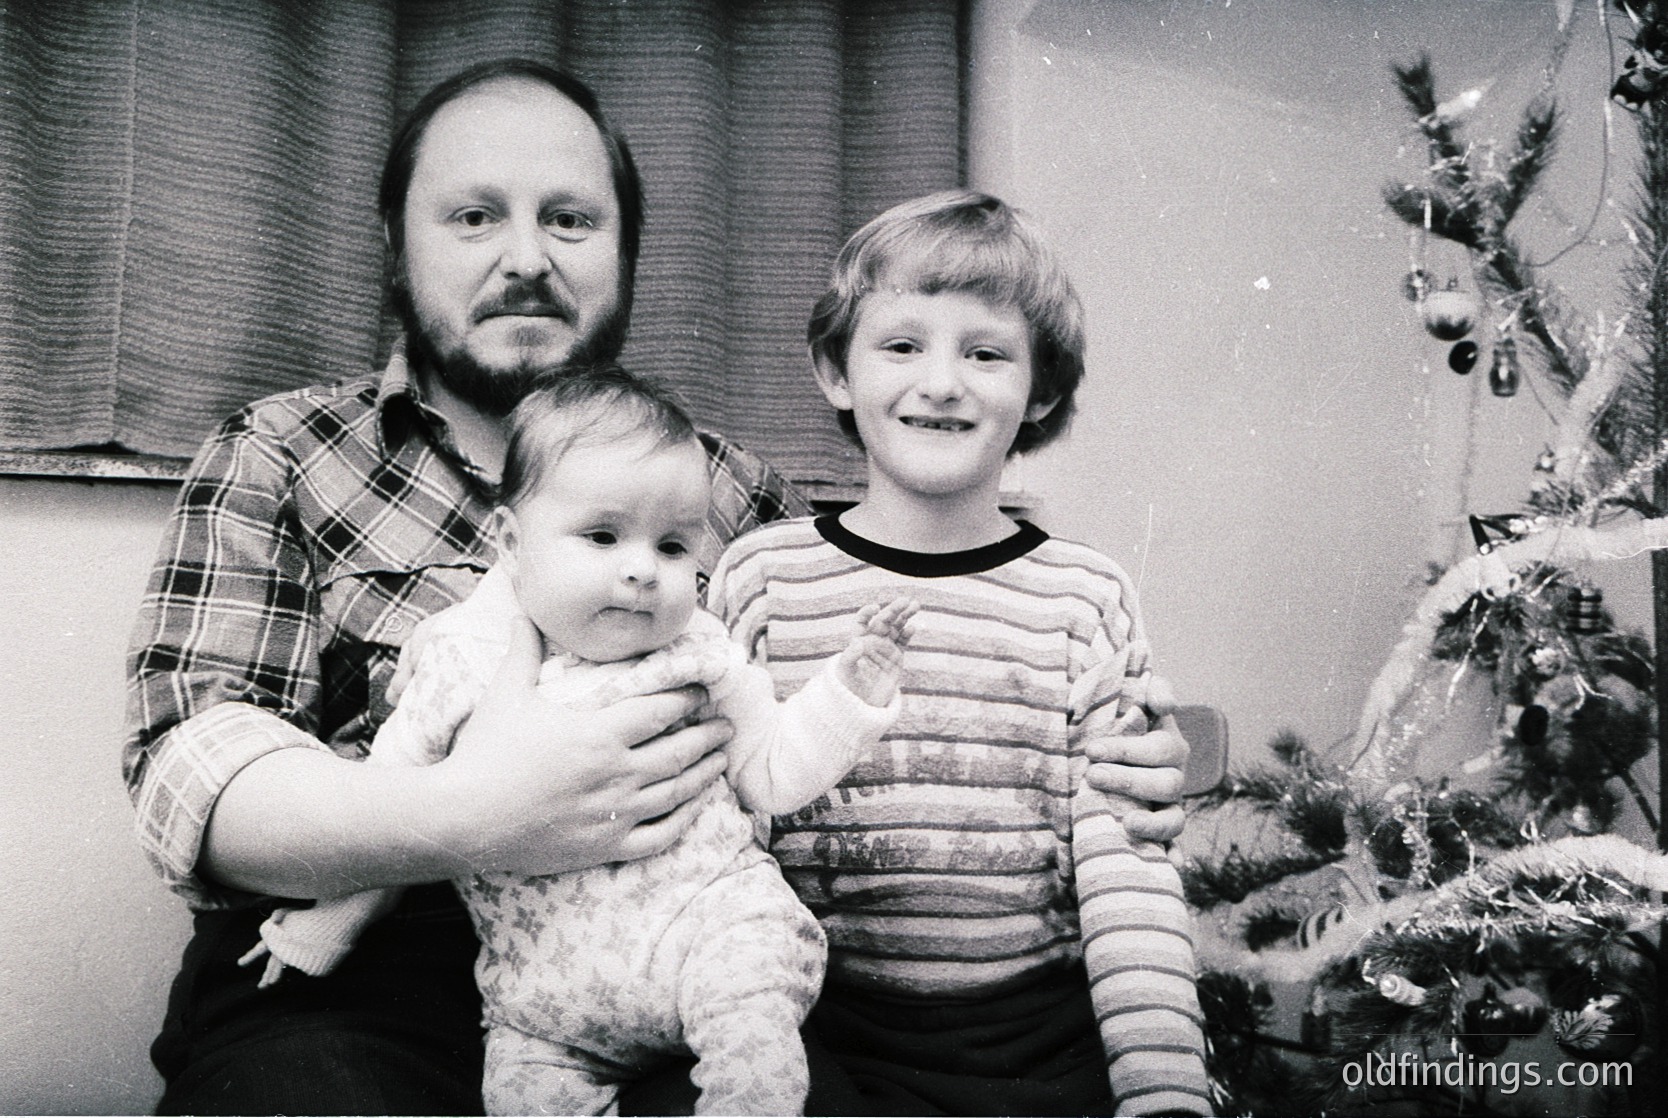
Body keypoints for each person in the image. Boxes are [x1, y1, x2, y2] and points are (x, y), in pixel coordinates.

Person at [123, 59, 1192, 1115]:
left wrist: (1114, 757)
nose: (527, 257)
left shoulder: (733, 494)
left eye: (571, 220)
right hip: (353, 980)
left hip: (669, 975)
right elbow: (189, 765)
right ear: (395, 244)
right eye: (475, 217)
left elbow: (839, 734)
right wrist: (468, 813)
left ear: (626, 252)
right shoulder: (286, 451)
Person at [240, 367, 917, 1116]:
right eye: (602, 536)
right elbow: (392, 807)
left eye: (673, 547)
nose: (641, 570)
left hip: (713, 933)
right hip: (546, 1000)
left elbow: (773, 774)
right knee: (523, 1096)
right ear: (511, 541)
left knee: (756, 1048)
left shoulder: (702, 651)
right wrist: (325, 924)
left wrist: (848, 694)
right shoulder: (461, 663)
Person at [703, 190, 1212, 1117]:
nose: (941, 383)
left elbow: (1127, 870)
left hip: (1035, 1039)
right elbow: (721, 834)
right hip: (803, 1022)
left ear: (1041, 390)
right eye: (902, 346)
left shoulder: (1084, 598)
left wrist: (1166, 1091)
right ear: (836, 372)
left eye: (985, 353)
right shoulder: (761, 577)